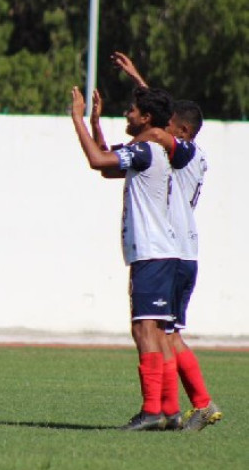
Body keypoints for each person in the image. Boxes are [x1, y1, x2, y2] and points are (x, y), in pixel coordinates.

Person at [70, 84, 198, 430]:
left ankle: (152, 409)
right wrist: (95, 124)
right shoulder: (148, 151)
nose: (127, 113)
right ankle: (168, 410)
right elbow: (107, 167)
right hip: (159, 254)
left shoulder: (145, 150)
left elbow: (96, 160)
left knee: (144, 330)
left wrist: (77, 120)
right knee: (155, 332)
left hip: (154, 254)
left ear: (147, 117)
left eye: (132, 110)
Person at [112, 52, 222, 431]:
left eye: (170, 126)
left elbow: (160, 125)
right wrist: (139, 80)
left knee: (162, 334)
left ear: (184, 132)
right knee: (167, 334)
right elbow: (161, 116)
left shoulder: (186, 154)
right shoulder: (176, 150)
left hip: (173, 252)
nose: (161, 131)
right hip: (179, 251)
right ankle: (174, 410)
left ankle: (195, 405)